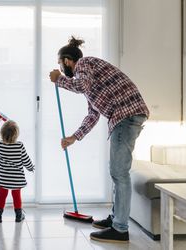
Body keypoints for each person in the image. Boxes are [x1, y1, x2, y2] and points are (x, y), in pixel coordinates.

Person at [49, 36, 149, 243]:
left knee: (119, 173)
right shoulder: (91, 80)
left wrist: (59, 79)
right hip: (124, 117)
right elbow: (93, 115)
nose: (60, 67)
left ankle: (120, 230)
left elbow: (80, 85)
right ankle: (116, 220)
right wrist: (73, 138)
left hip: (126, 115)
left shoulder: (85, 64)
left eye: (60, 63)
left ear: (67, 60)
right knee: (116, 171)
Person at [0, 120, 35, 223]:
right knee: (16, 196)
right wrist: (31, 167)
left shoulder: (0, 145)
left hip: (4, 179)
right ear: (16, 134)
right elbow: (25, 159)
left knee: (2, 196)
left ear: (2, 133)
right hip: (17, 179)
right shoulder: (19, 146)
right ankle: (18, 216)